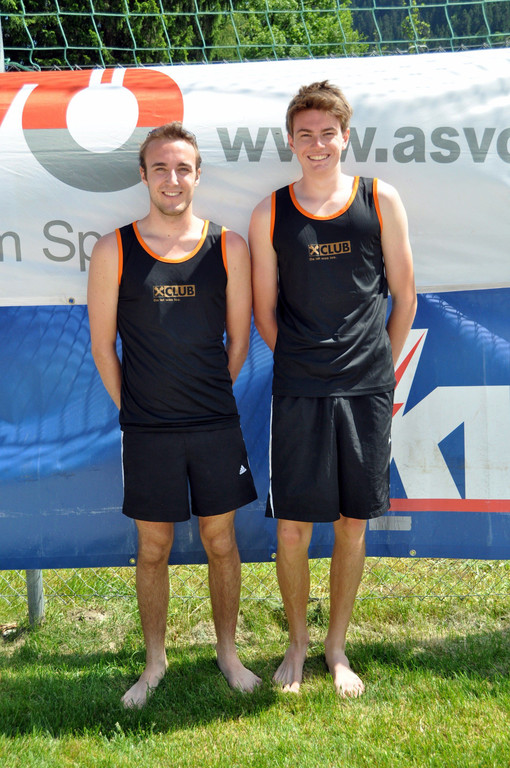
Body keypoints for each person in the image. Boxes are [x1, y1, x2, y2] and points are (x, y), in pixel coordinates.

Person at [249, 81, 417, 697]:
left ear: (346, 137)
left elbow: (405, 295)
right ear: (291, 142)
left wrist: (376, 365)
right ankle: (297, 644)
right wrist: (304, 361)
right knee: (292, 530)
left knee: (352, 524)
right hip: (299, 389)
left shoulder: (380, 198)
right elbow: (264, 311)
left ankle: (336, 648)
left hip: (366, 388)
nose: (317, 145)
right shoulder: (270, 212)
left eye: (328, 134)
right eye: (305, 135)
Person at [88, 122, 260, 708]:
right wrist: (137, 410)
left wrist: (205, 398)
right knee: (153, 548)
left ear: (198, 175)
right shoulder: (113, 249)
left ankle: (228, 653)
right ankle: (154, 661)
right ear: (143, 175)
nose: (172, 178)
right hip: (148, 431)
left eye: (182, 167)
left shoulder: (229, 246)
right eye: (160, 167)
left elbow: (239, 342)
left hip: (214, 425)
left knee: (221, 540)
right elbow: (102, 348)